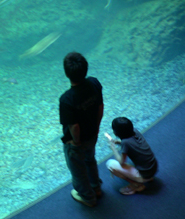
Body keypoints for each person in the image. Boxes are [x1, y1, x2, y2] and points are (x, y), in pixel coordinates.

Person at [59, 52, 104, 207]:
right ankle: (96, 188)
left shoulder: (67, 99)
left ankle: (88, 197)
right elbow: (100, 107)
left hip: (76, 141)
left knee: (78, 169)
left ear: (67, 74)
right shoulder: (94, 83)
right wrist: (96, 128)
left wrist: (76, 143)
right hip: (92, 134)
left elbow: (74, 126)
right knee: (90, 160)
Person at [105, 117, 158, 195]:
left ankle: (136, 185)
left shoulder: (125, 143)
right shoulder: (135, 131)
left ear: (116, 133)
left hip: (144, 174)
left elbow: (121, 162)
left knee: (110, 164)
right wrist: (118, 142)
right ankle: (147, 178)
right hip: (153, 168)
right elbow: (132, 143)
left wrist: (113, 149)